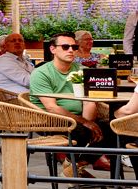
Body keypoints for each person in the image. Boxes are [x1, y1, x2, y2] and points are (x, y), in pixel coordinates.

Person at [30, 34, 114, 175]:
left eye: (74, 47)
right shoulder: (41, 73)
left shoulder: (81, 70)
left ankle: (75, 164)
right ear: (53, 49)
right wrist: (85, 123)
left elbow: (88, 102)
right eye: (65, 47)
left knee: (114, 127)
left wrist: (89, 121)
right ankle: (73, 165)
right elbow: (51, 107)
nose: (71, 50)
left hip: (79, 119)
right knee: (85, 131)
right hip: (52, 120)